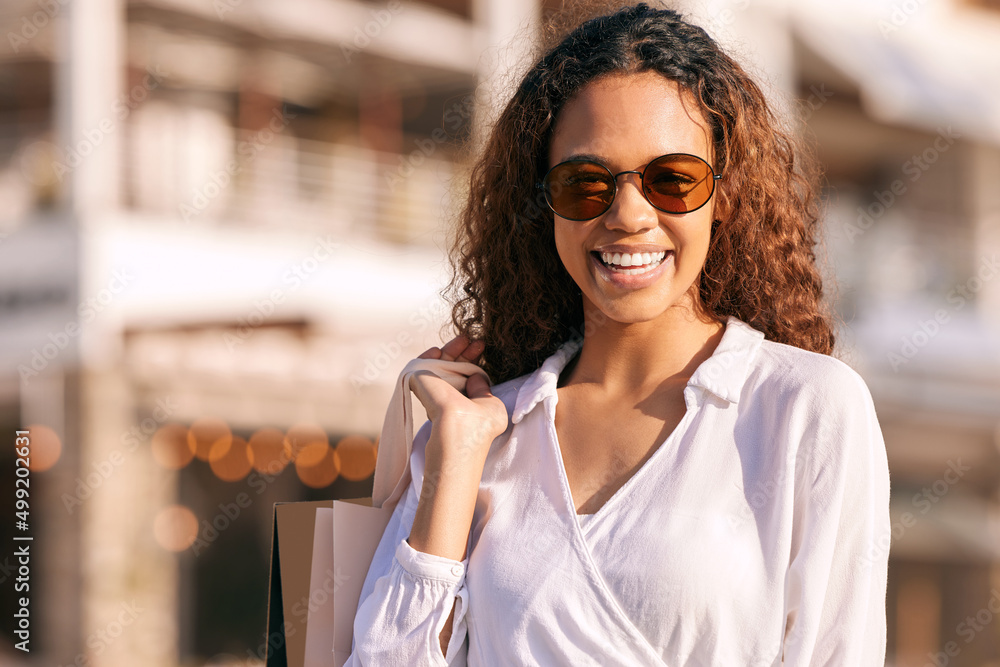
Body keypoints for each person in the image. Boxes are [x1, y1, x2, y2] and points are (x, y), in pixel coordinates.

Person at [347, 2, 891, 665]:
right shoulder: (485, 431)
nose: (629, 214)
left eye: (672, 180)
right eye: (585, 184)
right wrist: (456, 454)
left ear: (726, 195)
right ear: (543, 204)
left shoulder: (808, 407)